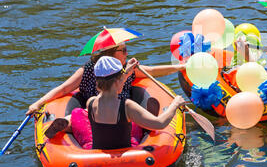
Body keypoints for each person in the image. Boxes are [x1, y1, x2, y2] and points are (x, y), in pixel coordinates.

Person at [45, 56, 186, 149]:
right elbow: (160, 123)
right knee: (137, 123)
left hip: (96, 150)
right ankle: (145, 124)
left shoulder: (91, 102)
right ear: (119, 80)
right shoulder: (127, 106)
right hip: (128, 150)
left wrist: (124, 75)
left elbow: (112, 86)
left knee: (78, 114)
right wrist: (175, 104)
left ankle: (67, 124)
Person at [26, 42, 185, 116]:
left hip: (122, 110)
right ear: (110, 54)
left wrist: (179, 67)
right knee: (83, 114)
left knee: (129, 111)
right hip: (96, 111)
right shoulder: (88, 70)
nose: (126, 53)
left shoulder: (127, 68)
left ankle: (146, 118)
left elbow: (152, 71)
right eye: (123, 50)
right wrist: (38, 103)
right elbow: (63, 89)